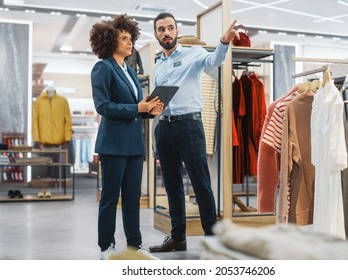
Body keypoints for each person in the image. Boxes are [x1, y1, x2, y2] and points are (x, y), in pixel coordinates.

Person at [149, 12, 239, 253]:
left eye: (170, 28)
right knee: (172, 185)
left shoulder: (194, 53)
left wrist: (223, 42)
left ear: (176, 31)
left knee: (201, 185)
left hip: (189, 126)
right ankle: (177, 237)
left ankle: (212, 240)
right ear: (156, 34)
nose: (166, 32)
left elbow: (214, 62)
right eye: (161, 29)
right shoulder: (158, 63)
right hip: (164, 127)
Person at [89, 14, 164, 260]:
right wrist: (137, 109)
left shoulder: (130, 72)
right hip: (113, 144)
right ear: (111, 41)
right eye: (124, 38)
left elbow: (136, 108)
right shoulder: (103, 67)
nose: (129, 43)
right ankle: (106, 247)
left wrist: (149, 111)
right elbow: (103, 107)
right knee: (110, 198)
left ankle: (135, 245)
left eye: (130, 38)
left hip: (133, 144)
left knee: (133, 198)